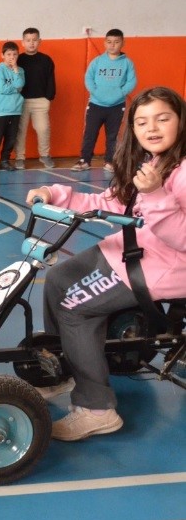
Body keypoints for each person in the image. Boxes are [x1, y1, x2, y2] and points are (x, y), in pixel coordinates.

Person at [26, 86, 186, 441]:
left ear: (181, 121)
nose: (152, 128)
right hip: (134, 250)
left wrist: (157, 196)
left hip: (165, 267)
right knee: (59, 277)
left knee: (75, 308)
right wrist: (55, 194)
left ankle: (97, 408)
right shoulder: (154, 163)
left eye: (163, 118)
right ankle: (67, 370)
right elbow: (109, 202)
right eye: (142, 122)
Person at [73, 29, 138, 174]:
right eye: (109, 42)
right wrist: (95, 91)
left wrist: (120, 93)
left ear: (123, 43)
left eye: (116, 42)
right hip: (96, 105)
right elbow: (88, 78)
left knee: (113, 136)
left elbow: (131, 81)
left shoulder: (127, 63)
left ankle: (110, 161)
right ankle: (85, 160)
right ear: (104, 43)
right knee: (90, 134)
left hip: (116, 106)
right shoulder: (97, 61)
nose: (112, 45)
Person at [14, 28, 56, 169]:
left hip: (40, 101)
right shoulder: (18, 59)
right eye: (28, 40)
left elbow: (51, 79)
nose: (31, 43)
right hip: (21, 101)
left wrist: (48, 97)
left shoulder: (46, 60)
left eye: (34, 40)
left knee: (43, 128)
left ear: (39, 41)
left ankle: (44, 155)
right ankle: (19, 157)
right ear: (23, 42)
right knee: (20, 130)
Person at [0, 41, 25, 171]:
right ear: (2, 55)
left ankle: (4, 160)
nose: (12, 57)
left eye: (14, 54)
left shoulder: (20, 70)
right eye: (8, 54)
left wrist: (16, 70)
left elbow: (20, 85)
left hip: (16, 110)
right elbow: (2, 88)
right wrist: (15, 88)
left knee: (11, 139)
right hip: (1, 110)